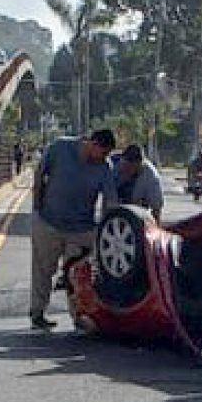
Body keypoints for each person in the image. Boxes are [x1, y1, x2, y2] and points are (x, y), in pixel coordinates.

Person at [29, 129, 118, 330]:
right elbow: (40, 174)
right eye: (103, 152)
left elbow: (110, 200)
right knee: (43, 270)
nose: (104, 157)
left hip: (81, 229)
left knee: (78, 273)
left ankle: (79, 315)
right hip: (48, 222)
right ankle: (38, 313)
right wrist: (36, 209)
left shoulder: (105, 167)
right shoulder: (60, 148)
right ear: (93, 144)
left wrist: (106, 227)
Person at [112, 144, 165, 221]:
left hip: (138, 209)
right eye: (125, 164)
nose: (127, 168)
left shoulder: (151, 178)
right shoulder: (112, 166)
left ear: (140, 164)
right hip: (115, 204)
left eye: (132, 165)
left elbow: (156, 209)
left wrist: (155, 227)